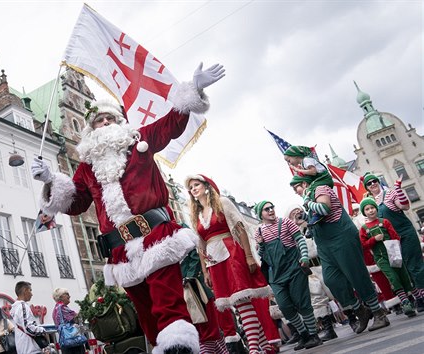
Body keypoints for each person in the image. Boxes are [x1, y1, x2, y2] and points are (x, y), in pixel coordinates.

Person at [31, 62, 225, 354]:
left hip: (156, 237)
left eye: (110, 118)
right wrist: (50, 180)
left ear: (119, 122)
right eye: (99, 121)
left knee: (169, 306)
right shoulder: (86, 168)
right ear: (91, 129)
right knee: (147, 317)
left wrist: (194, 90)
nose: (105, 123)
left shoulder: (139, 142)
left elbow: (170, 125)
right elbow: (76, 202)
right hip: (120, 251)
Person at [185, 174, 273, 354]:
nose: (193, 189)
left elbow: (239, 228)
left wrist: (248, 256)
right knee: (240, 304)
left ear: (206, 185)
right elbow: (201, 245)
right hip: (214, 260)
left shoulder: (222, 202)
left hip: (232, 253)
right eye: (191, 187)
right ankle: (264, 345)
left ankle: (254, 349)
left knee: (242, 301)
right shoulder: (197, 214)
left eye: (196, 184)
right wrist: (205, 271)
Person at [292, 175, 390, 333]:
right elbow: (317, 217)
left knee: (356, 275)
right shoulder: (310, 196)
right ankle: (360, 310)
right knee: (332, 280)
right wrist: (306, 216)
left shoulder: (320, 189)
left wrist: (307, 203)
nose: (295, 191)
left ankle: (378, 313)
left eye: (295, 186)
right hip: (325, 245)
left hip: (341, 238)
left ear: (304, 183)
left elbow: (324, 208)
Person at [253, 201, 322, 350]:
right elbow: (261, 255)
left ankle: (313, 335)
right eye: (267, 209)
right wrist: (261, 245)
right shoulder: (258, 231)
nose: (271, 210)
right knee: (285, 306)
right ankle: (303, 334)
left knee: (302, 302)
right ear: (260, 214)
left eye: (272, 207)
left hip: (294, 268)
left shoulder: (285, 223)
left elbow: (300, 240)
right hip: (276, 275)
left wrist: (304, 257)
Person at [363, 173, 424, 312]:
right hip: (390, 240)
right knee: (403, 269)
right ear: (367, 187)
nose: (372, 184)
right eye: (369, 183)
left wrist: (397, 189)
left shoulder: (389, 193)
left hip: (405, 233)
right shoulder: (371, 203)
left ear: (378, 182)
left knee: (414, 264)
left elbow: (405, 206)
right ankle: (418, 297)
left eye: (374, 181)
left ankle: (422, 296)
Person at [284, 205, 338, 341]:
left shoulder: (313, 224)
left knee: (336, 290)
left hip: (324, 263)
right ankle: (328, 328)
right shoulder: (291, 235)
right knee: (317, 298)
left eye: (298, 211)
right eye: (293, 213)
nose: (297, 214)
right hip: (309, 270)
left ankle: (352, 317)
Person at [358, 197, 417, 318]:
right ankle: (405, 303)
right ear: (364, 212)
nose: (370, 211)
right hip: (381, 258)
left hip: (393, 253)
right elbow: (363, 245)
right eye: (367, 209)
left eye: (372, 207)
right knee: (393, 278)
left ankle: (415, 297)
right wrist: (374, 239)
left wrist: (394, 245)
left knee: (404, 276)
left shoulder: (385, 222)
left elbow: (395, 236)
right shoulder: (364, 229)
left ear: (376, 208)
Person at [179, 248, 229, 354]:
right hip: (182, 291)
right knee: (203, 334)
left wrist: (188, 277)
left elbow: (195, 256)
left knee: (207, 331)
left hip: (197, 289)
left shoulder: (182, 232)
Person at [12, 281, 49, 354]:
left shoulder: (15, 308)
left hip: (23, 348)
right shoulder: (23, 306)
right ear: (25, 290)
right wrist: (42, 330)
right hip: (30, 348)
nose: (32, 294)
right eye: (30, 290)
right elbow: (28, 327)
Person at [52, 288, 86, 354]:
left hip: (65, 342)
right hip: (73, 341)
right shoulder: (62, 307)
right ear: (60, 297)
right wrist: (84, 309)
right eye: (67, 294)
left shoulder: (55, 309)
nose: (69, 296)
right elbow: (76, 317)